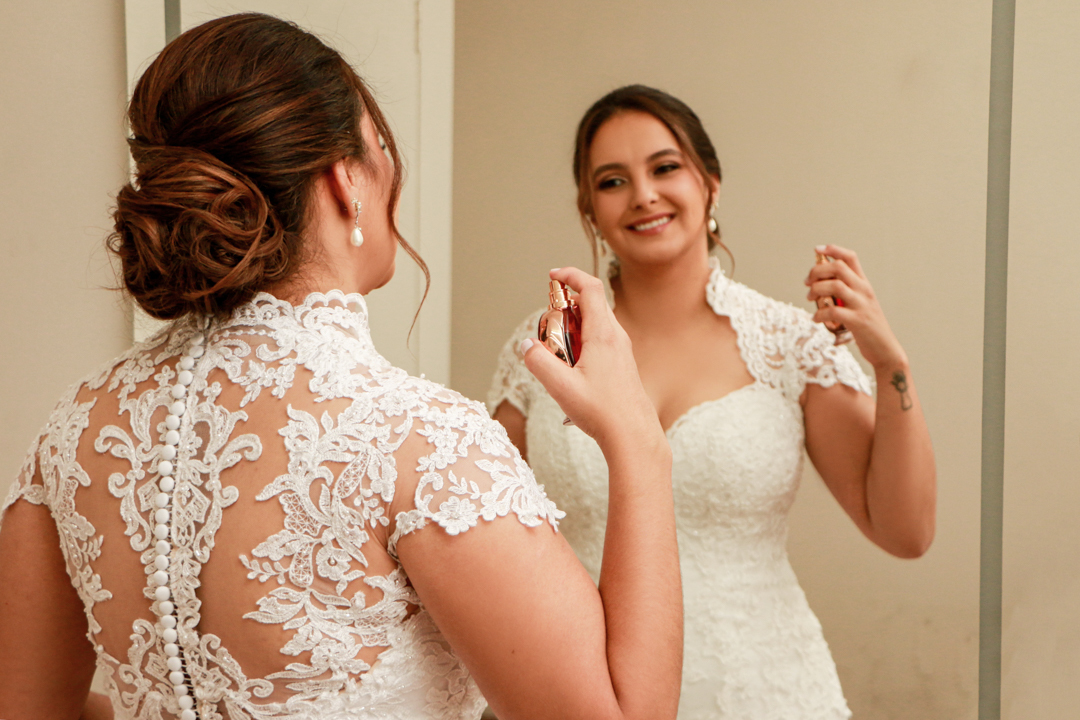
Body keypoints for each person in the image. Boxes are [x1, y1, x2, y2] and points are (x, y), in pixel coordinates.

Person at [0, 18, 682, 720]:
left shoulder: (75, 432)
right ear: (345, 179)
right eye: (379, 146)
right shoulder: (416, 441)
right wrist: (639, 444)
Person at [489, 85, 937, 719]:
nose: (644, 194)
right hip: (596, 695)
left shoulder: (788, 345)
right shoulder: (544, 351)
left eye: (665, 167)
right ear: (588, 209)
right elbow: (486, 541)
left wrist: (891, 365)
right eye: (613, 181)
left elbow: (906, 532)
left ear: (711, 183)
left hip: (769, 689)